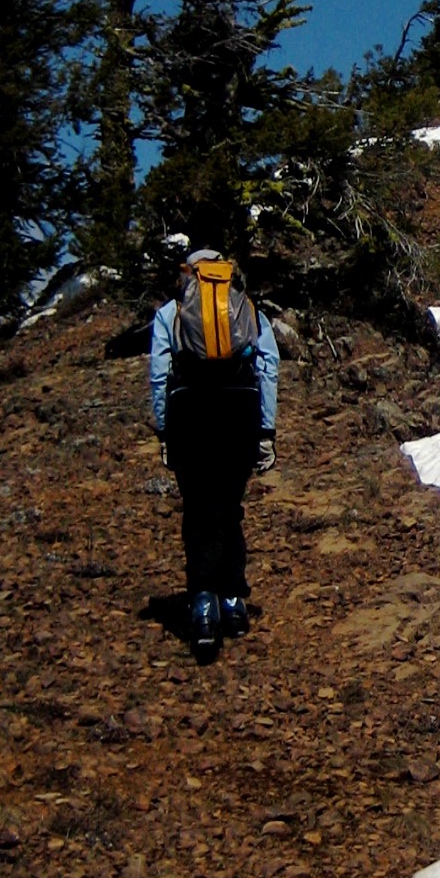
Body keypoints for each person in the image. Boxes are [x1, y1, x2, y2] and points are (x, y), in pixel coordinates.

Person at [147, 244, 280, 653]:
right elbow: (268, 367)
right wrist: (266, 430)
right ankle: (234, 602)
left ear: (190, 273)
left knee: (199, 510)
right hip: (239, 412)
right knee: (229, 507)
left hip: (191, 415)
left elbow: (159, 374)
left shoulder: (170, 313)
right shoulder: (248, 308)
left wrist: (165, 430)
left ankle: (204, 605)